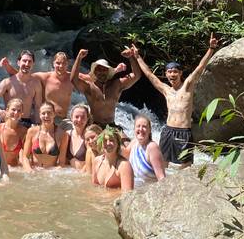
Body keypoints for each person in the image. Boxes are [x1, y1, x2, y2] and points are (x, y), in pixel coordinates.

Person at [132, 33, 219, 167]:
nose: (172, 74)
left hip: (184, 132)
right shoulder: (166, 89)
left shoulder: (187, 86)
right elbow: (149, 74)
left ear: (180, 73)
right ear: (166, 74)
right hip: (168, 131)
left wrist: (211, 49)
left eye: (175, 71)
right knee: (162, 164)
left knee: (186, 166)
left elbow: (199, 68)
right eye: (169, 72)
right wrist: (137, 56)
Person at [70, 48, 142, 131]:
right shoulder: (89, 87)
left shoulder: (116, 85)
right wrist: (79, 57)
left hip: (111, 125)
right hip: (95, 125)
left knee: (126, 143)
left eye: (104, 70)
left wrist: (131, 57)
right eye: (99, 70)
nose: (101, 72)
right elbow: (73, 79)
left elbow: (137, 75)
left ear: (108, 72)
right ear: (95, 72)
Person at [0, 50, 42, 127]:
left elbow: (38, 106)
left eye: (29, 61)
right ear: (18, 62)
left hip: (26, 122)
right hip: (8, 120)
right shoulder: (7, 82)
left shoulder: (36, 84)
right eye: (24, 61)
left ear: (33, 64)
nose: (27, 64)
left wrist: (38, 124)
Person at [22, 101, 69, 172]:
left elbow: (61, 163)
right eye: (43, 113)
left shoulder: (62, 134)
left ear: (54, 114)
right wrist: (29, 170)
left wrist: (53, 173)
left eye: (49, 113)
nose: (46, 116)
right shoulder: (32, 132)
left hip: (51, 174)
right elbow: (25, 157)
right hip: (34, 172)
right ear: (40, 115)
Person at [124, 114, 165, 186]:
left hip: (149, 193)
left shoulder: (152, 148)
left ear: (149, 130)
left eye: (144, 127)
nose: (141, 129)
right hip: (136, 193)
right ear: (134, 129)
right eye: (138, 126)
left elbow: (161, 178)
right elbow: (123, 155)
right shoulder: (134, 142)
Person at [92, 126, 133, 191]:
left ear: (118, 144)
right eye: (105, 141)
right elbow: (94, 187)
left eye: (111, 140)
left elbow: (127, 194)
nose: (108, 143)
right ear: (101, 144)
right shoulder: (96, 161)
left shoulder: (124, 165)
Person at [0, 98, 27, 167]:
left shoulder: (24, 131)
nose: (16, 113)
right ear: (7, 110)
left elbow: (25, 156)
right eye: (13, 109)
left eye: (19, 110)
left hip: (14, 169)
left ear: (22, 113)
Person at [66, 104, 91, 170]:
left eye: (83, 117)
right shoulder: (67, 135)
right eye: (76, 117)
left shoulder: (89, 137)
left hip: (83, 176)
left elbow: (92, 162)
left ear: (87, 119)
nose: (79, 120)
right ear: (71, 118)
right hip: (70, 176)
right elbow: (62, 162)